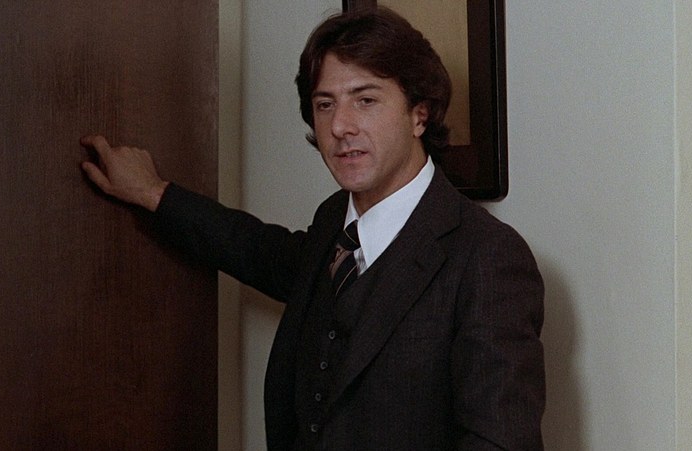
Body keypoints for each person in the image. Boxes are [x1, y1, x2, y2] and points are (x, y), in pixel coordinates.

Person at [81, 7, 545, 450]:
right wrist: (155, 194)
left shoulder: (488, 257)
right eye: (325, 104)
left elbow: (500, 441)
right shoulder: (333, 221)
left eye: (365, 100)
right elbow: (259, 251)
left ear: (418, 114)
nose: (340, 126)